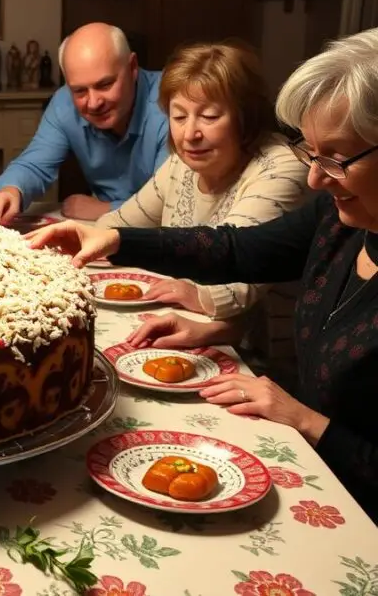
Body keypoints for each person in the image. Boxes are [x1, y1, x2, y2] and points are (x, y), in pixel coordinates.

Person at [27, 28, 378, 522]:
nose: (315, 178)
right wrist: (115, 238)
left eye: (336, 159)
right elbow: (237, 248)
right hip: (315, 463)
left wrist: (307, 421)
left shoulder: (301, 184)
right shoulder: (338, 219)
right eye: (312, 153)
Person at [95, 43, 308, 351]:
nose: (190, 134)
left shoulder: (283, 167)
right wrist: (92, 239)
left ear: (245, 117)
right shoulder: (182, 163)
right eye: (179, 116)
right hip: (199, 329)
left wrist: (194, 292)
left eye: (209, 116)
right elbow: (118, 226)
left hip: (269, 355)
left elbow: (236, 283)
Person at [0, 22, 169, 223]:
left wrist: (104, 209)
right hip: (105, 229)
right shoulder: (64, 103)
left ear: (132, 67)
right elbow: (34, 165)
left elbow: (171, 200)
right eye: (79, 91)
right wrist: (10, 191)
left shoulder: (174, 100)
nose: (94, 103)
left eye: (105, 85)